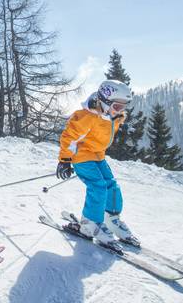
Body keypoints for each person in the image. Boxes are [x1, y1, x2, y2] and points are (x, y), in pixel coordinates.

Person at [56, 79, 140, 246]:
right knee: (98, 186)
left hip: (98, 155)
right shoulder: (87, 117)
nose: (120, 111)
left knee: (112, 185)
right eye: (117, 106)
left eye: (124, 107)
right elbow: (69, 137)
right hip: (81, 157)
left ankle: (112, 219)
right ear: (104, 102)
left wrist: (116, 112)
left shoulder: (112, 116)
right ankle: (90, 224)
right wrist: (65, 160)